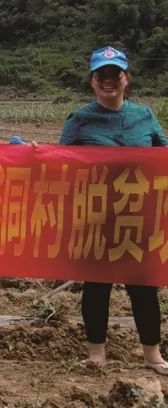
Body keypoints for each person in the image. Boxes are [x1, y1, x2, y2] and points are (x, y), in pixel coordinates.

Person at [59, 46, 167, 375]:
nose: (108, 81)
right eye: (101, 75)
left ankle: (152, 355)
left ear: (126, 79)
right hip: (96, 218)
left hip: (138, 217)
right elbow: (58, 162)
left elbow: (163, 152)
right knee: (96, 286)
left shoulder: (144, 116)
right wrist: (29, 154)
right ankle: (96, 354)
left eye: (114, 74)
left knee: (144, 287)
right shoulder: (79, 120)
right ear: (92, 82)